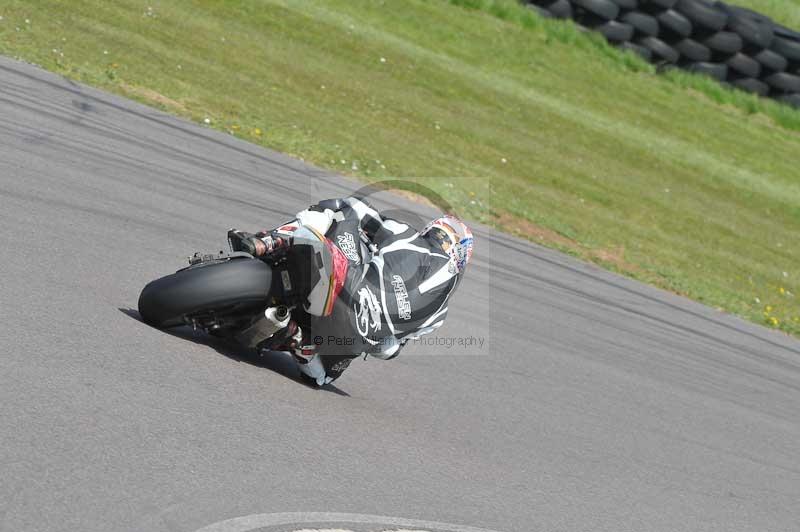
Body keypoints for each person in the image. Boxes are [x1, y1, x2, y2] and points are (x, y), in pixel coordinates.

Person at [228, 196, 473, 386]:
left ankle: (269, 241)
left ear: (432, 231)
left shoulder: (407, 234)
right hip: (350, 339)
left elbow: (361, 212)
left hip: (349, 287)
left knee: (345, 207)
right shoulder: (439, 315)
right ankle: (296, 337)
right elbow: (388, 351)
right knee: (321, 378)